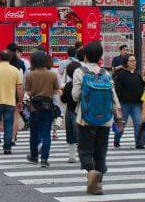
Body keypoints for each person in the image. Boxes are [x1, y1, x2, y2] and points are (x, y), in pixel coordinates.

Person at [72, 42, 123, 196]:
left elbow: (75, 96)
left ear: (85, 55)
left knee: (85, 150)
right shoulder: (105, 73)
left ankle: (91, 172)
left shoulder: (80, 71)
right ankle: (98, 186)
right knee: (100, 152)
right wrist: (118, 117)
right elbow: (113, 97)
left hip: (86, 118)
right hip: (105, 119)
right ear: (100, 57)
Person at [24, 50, 59, 167]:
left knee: (34, 133)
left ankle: (34, 156)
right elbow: (56, 90)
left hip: (34, 107)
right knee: (46, 134)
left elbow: (28, 92)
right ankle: (44, 159)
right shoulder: (52, 74)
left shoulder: (30, 75)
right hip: (48, 106)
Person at [0, 50, 23, 155]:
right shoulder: (15, 70)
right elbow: (19, 89)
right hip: (10, 102)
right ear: (10, 58)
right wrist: (20, 101)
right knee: (8, 125)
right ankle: (7, 148)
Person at [113, 54, 144, 148]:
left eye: (135, 60)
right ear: (126, 63)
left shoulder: (137, 73)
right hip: (124, 104)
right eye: (131, 61)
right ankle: (116, 139)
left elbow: (141, 87)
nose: (134, 62)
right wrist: (117, 106)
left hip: (136, 104)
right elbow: (117, 91)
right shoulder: (121, 74)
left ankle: (139, 143)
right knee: (121, 124)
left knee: (139, 123)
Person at [61, 61, 81, 163]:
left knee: (70, 134)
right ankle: (83, 154)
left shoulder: (68, 85)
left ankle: (72, 156)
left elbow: (63, 100)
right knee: (80, 133)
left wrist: (61, 93)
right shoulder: (83, 84)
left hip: (69, 111)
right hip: (80, 111)